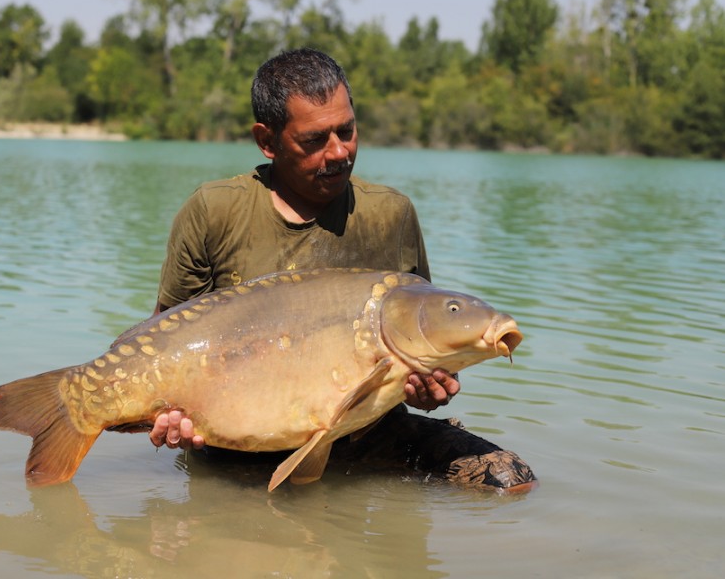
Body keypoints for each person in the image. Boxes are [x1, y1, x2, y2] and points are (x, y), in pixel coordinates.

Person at [145, 48, 536, 492]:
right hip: (240, 446)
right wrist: (166, 415)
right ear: (267, 140)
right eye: (314, 140)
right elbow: (165, 338)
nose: (339, 153)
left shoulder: (392, 216)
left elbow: (424, 341)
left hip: (369, 435)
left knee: (510, 480)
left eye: (347, 131)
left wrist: (434, 387)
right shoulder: (214, 211)